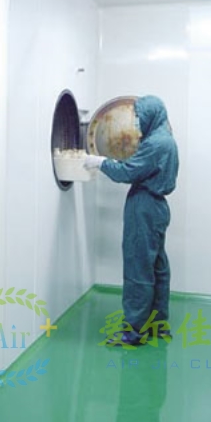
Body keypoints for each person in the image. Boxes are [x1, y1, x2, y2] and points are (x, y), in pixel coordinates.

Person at [84, 95, 179, 346]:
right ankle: (158, 325)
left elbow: (127, 172)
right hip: (158, 208)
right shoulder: (166, 139)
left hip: (144, 208)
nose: (136, 121)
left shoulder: (155, 143)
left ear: (151, 115)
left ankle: (134, 332)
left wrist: (101, 162)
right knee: (157, 268)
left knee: (138, 269)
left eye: (139, 116)